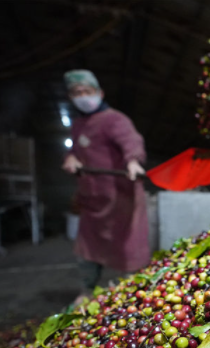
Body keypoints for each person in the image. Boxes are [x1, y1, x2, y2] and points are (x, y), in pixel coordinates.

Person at [62, 69, 150, 299]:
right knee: (87, 249)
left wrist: (133, 161)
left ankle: (135, 295)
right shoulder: (78, 124)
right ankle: (86, 291)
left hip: (122, 199)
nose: (83, 96)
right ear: (70, 97)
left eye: (87, 91)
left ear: (99, 93)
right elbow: (75, 151)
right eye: (77, 93)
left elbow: (131, 142)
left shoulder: (115, 119)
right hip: (93, 201)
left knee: (129, 249)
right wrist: (71, 158)